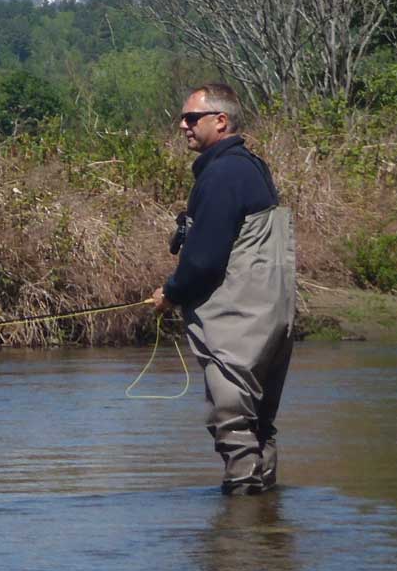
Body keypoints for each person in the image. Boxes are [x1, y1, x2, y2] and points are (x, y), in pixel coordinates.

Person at [148, 83, 295, 494]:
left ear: (221, 120)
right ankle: (269, 532)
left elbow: (203, 260)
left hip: (240, 326)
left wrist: (170, 292)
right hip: (274, 322)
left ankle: (242, 536)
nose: (182, 125)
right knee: (260, 427)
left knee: (232, 424)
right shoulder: (252, 167)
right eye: (183, 118)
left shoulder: (222, 175)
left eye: (191, 118)